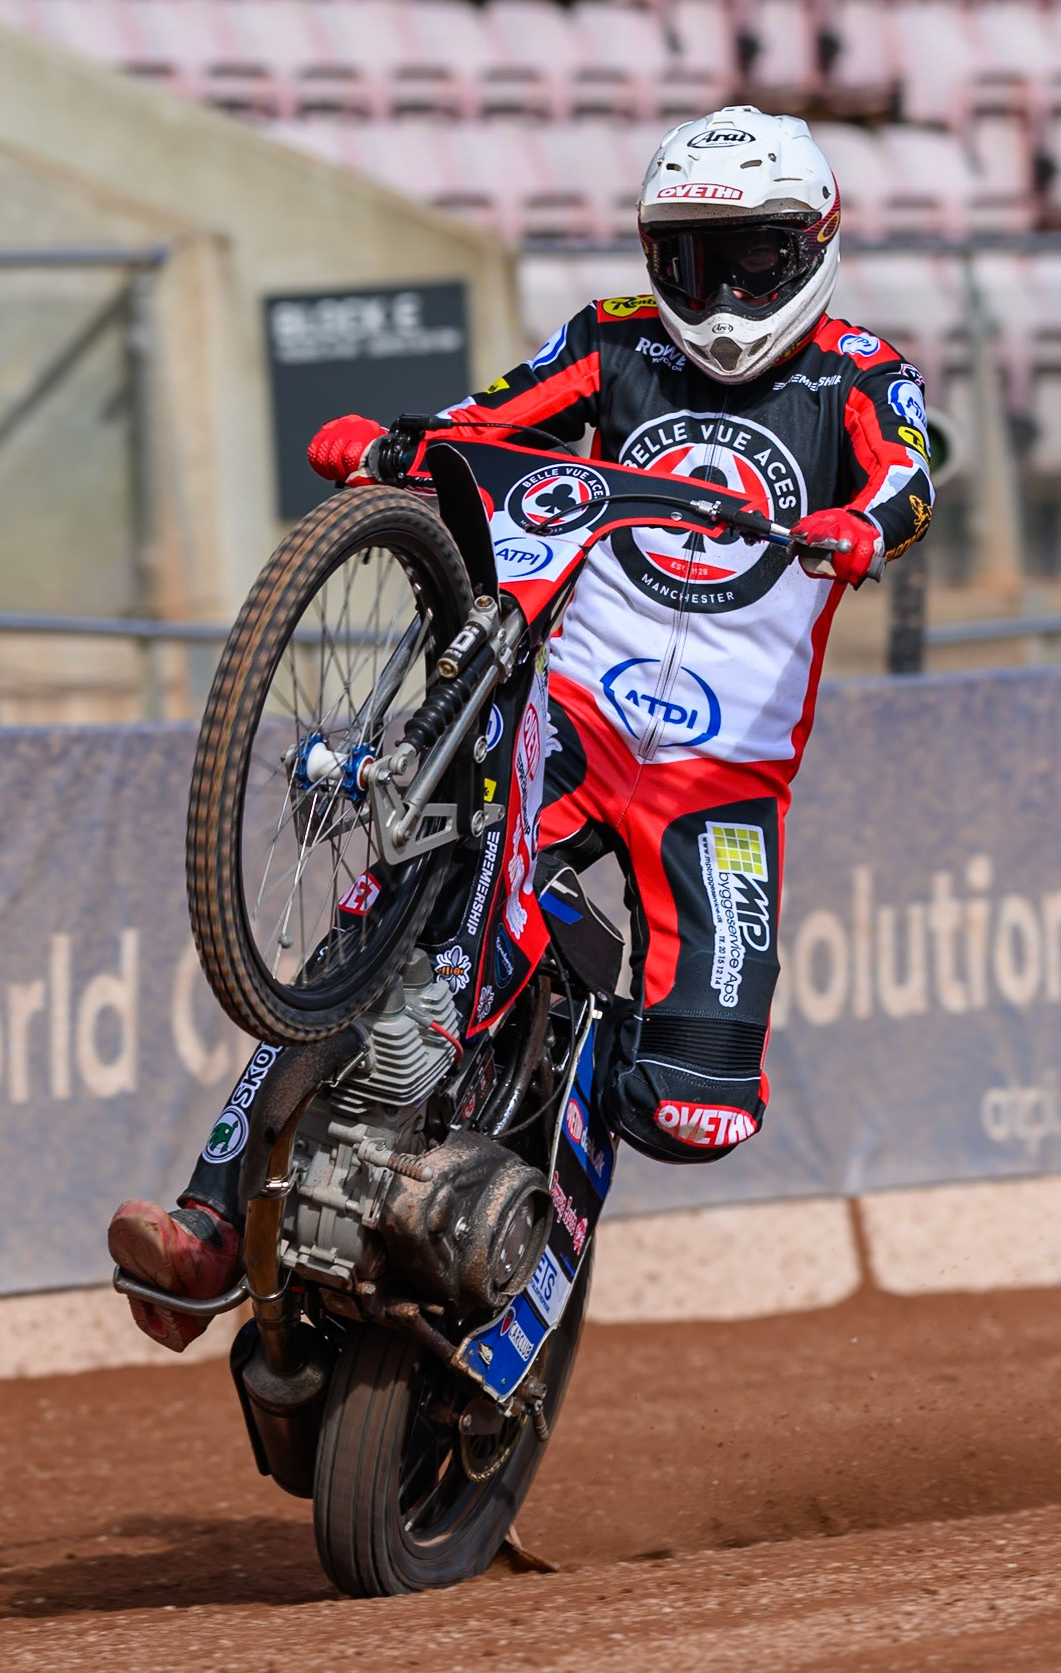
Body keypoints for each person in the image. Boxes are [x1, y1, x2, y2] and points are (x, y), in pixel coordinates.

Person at [110, 107, 934, 1350]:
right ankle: (210, 1226)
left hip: (721, 784)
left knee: (695, 1111)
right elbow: (488, 416)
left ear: (812, 245)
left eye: (748, 261)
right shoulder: (611, 341)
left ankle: (544, 1207)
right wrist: (399, 444)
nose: (713, 294)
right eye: (685, 260)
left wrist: (867, 525)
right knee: (379, 916)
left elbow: (909, 476)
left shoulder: (860, 374)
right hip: (566, 718)